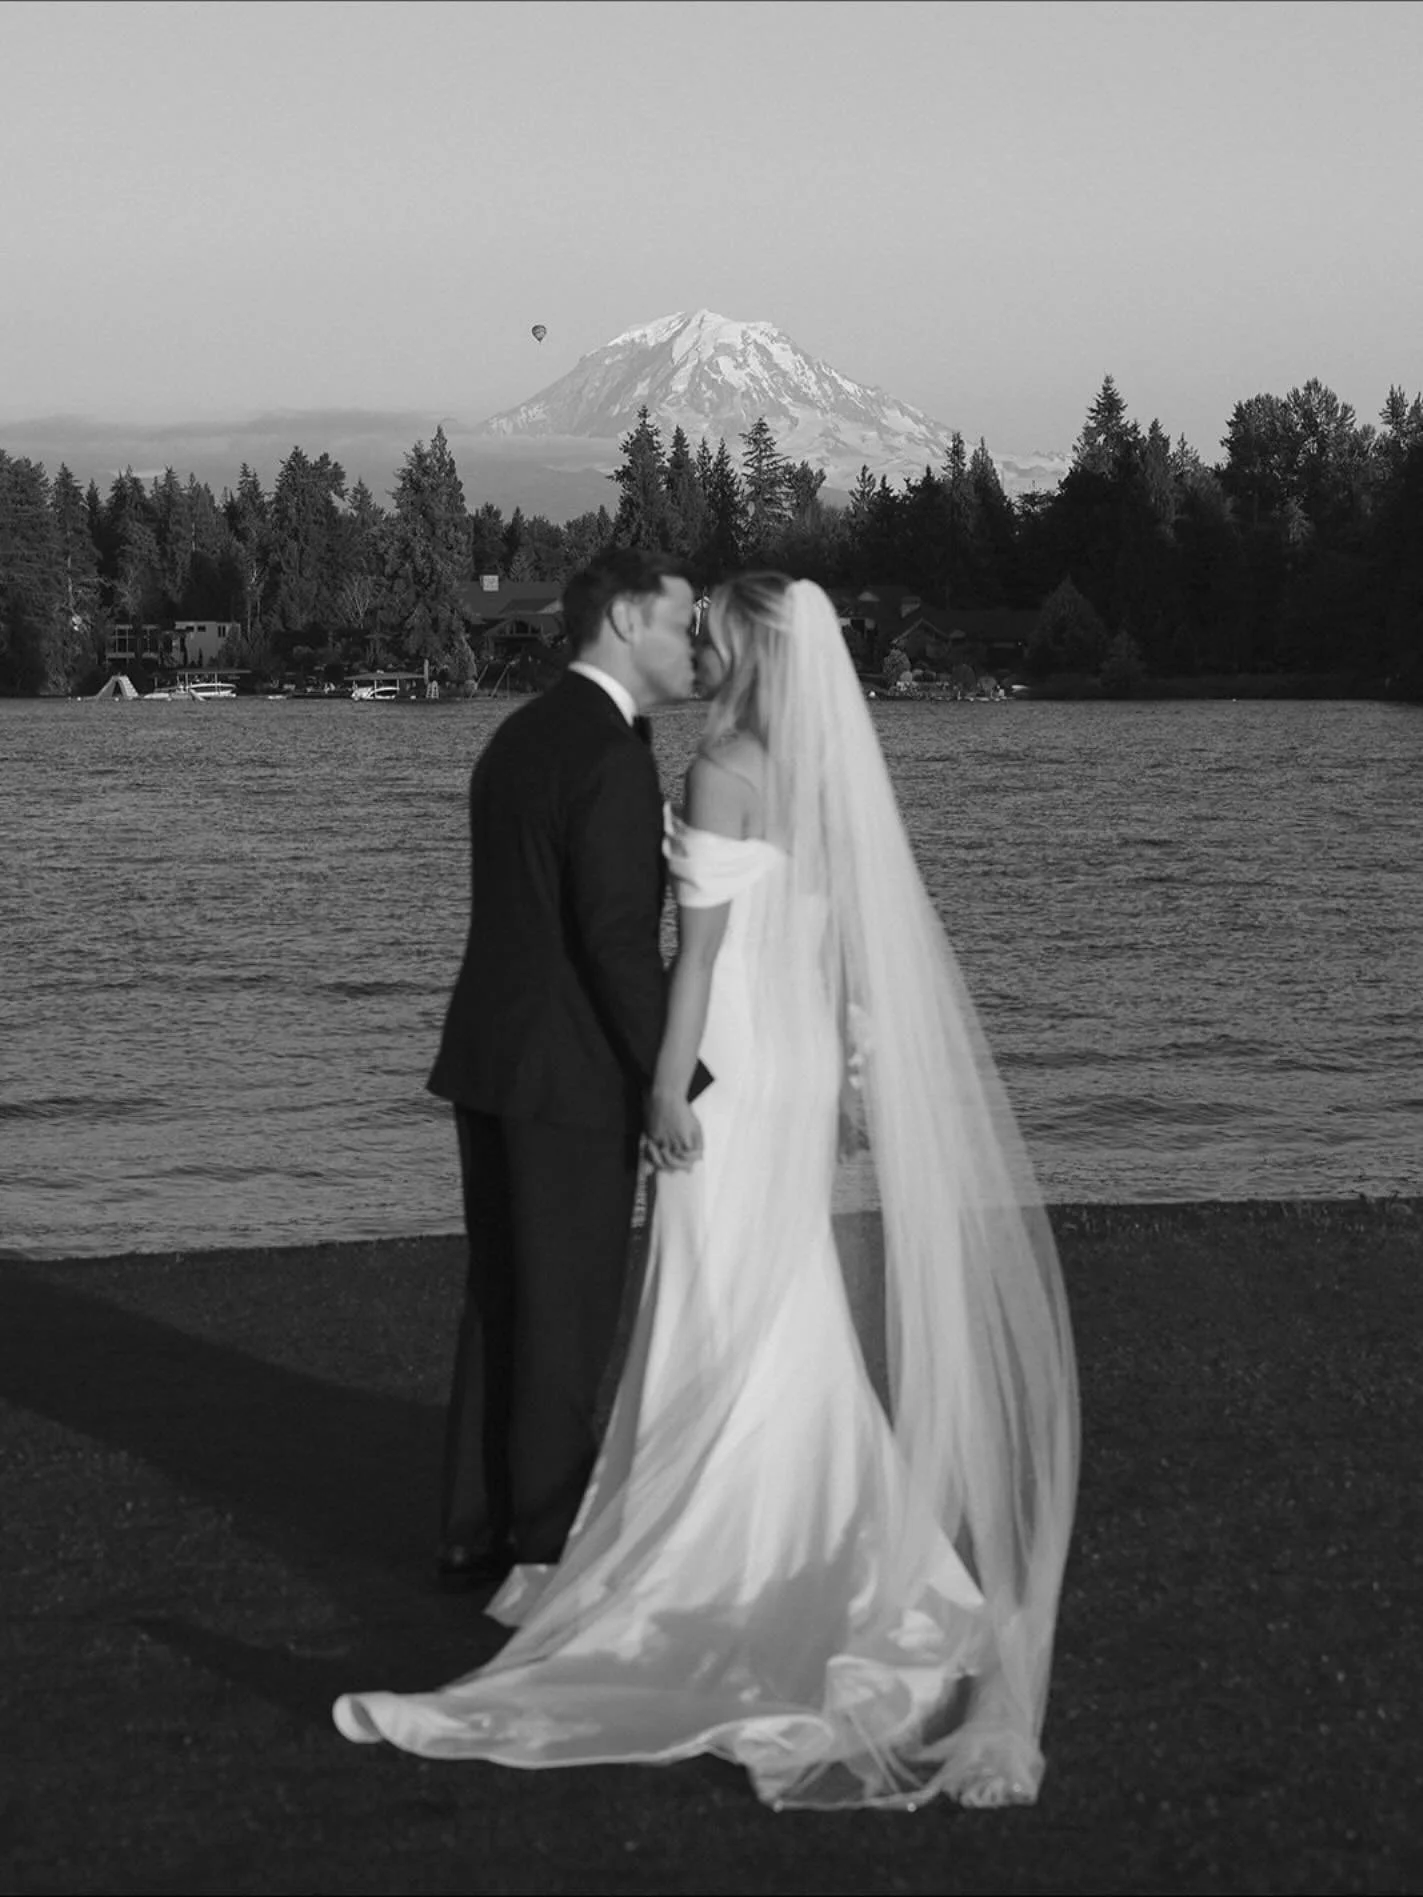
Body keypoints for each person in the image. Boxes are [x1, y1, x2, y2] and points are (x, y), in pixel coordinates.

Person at [337, 575, 1078, 1811]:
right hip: (788, 1063)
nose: (695, 645)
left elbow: (686, 963)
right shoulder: (819, 778)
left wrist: (674, 1086)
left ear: (740, 652)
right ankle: (798, 1520)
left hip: (725, 1067)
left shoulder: (697, 767)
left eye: (709, 631)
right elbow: (837, 947)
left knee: (698, 1290)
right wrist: (844, 1072)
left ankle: (651, 1533)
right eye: (682, 625)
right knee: (778, 1292)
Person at [424, 546, 697, 1593]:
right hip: (570, 1075)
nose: (690, 646)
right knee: (563, 1311)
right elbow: (616, 942)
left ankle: (472, 1525)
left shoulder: (520, 735)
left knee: (499, 1295)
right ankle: (543, 1545)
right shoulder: (611, 756)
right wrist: (680, 1080)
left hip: (489, 1056)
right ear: (624, 621)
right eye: (678, 624)